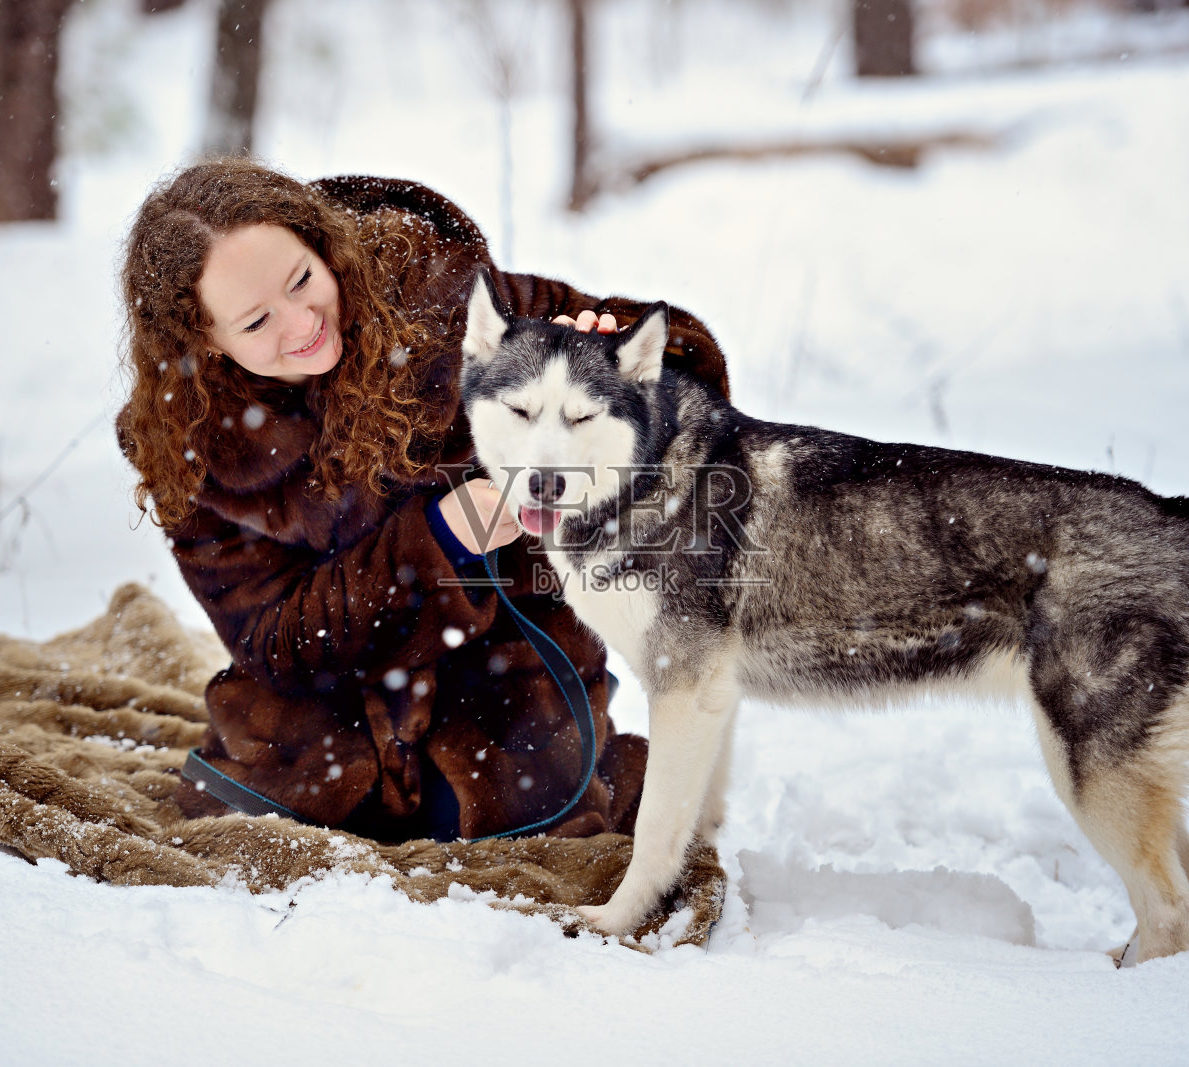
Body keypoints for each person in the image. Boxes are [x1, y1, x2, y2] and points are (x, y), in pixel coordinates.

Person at [116, 158, 731, 842]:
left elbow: (679, 379)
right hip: (328, 701)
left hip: (508, 671)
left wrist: (607, 364)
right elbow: (272, 636)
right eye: (257, 321)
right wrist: (439, 538)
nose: (301, 322)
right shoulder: (188, 443)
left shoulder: (442, 299)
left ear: (322, 245)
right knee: (271, 819)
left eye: (302, 280)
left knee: (524, 813)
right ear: (204, 337)